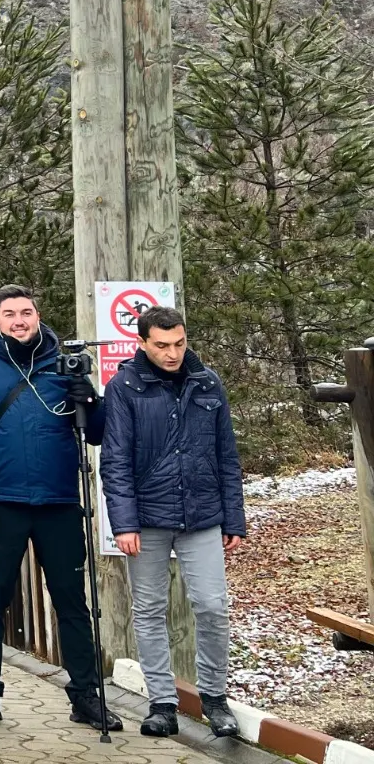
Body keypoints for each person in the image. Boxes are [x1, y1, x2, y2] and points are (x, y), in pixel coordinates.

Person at [0, 284, 121, 732]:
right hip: (1, 503)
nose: (19, 321)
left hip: (59, 501)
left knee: (72, 602)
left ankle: (85, 695)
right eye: (10, 314)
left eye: (26, 312)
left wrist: (89, 396)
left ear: (38, 316)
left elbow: (99, 432)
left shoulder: (62, 367)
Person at [101, 306, 244, 739]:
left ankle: (215, 698)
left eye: (179, 343)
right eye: (162, 345)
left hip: (202, 516)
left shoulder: (207, 382)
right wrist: (123, 524)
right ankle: (161, 703)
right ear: (142, 342)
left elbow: (227, 457)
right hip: (146, 519)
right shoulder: (123, 386)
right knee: (148, 610)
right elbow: (116, 461)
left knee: (213, 607)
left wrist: (233, 518)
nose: (172, 353)